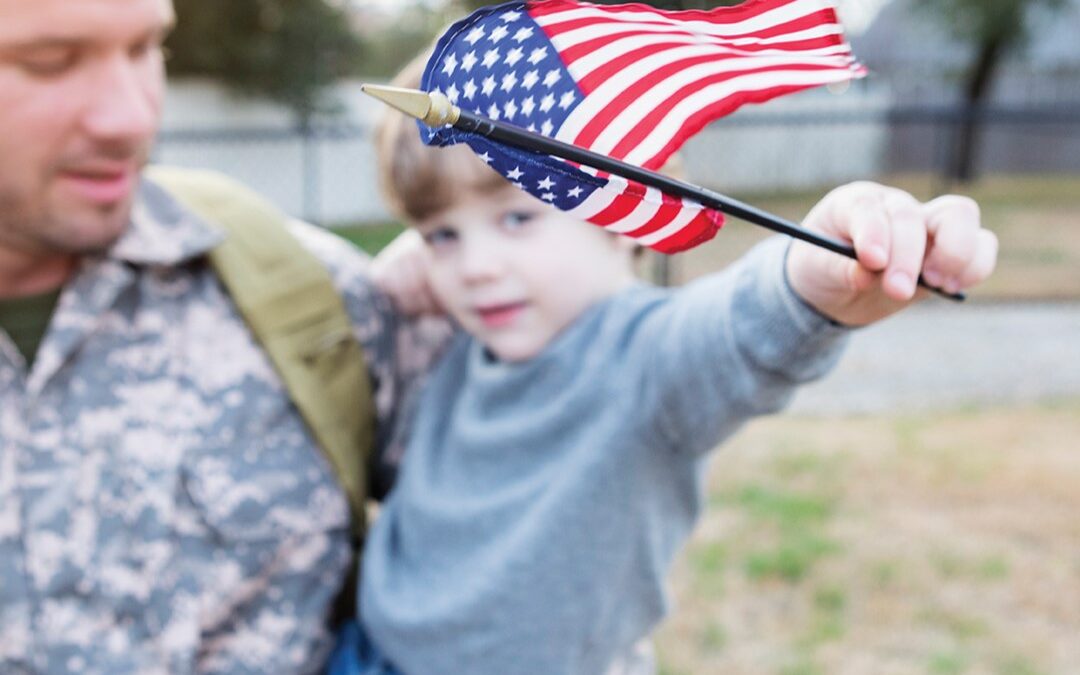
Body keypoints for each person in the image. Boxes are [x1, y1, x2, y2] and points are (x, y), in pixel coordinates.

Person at [338, 61, 999, 675]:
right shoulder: (457, 335)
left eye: (516, 217)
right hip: (367, 651)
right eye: (442, 235)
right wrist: (411, 262)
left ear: (621, 209)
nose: (474, 267)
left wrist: (811, 280)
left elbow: (737, 329)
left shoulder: (646, 358)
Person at [0, 0, 444, 672]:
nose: (129, 117)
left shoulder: (309, 298)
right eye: (49, 62)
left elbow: (545, 585)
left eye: (146, 48)